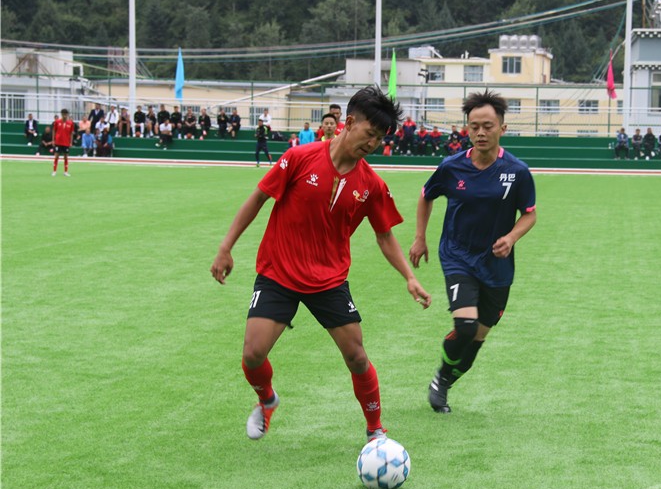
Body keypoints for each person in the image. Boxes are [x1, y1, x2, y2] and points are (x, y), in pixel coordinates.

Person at [209, 85, 431, 443]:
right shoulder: (299, 157)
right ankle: (267, 400)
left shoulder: (372, 185)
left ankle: (375, 430)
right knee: (252, 354)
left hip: (329, 280)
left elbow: (384, 235)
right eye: (370, 133)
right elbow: (258, 198)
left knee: (357, 357)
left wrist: (409, 277)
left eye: (380, 138)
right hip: (279, 272)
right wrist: (225, 247)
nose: (373, 143)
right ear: (349, 122)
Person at [408, 89, 537, 414]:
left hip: (496, 265)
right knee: (465, 326)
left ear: (502, 128)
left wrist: (511, 237)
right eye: (474, 126)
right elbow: (426, 195)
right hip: (458, 256)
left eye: (487, 126)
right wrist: (420, 237)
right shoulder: (451, 167)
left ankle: (445, 380)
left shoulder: (517, 171)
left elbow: (530, 214)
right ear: (467, 129)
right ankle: (442, 377)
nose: (480, 132)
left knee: (477, 337)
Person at [52, 109, 75, 177]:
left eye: (66, 114)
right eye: (63, 114)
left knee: (66, 157)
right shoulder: (57, 122)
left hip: (66, 142)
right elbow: (54, 131)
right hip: (58, 142)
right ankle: (54, 171)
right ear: (61, 114)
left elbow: (71, 133)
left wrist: (71, 142)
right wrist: (53, 140)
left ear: (67, 115)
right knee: (56, 156)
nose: (65, 115)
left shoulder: (71, 123)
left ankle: (65, 172)